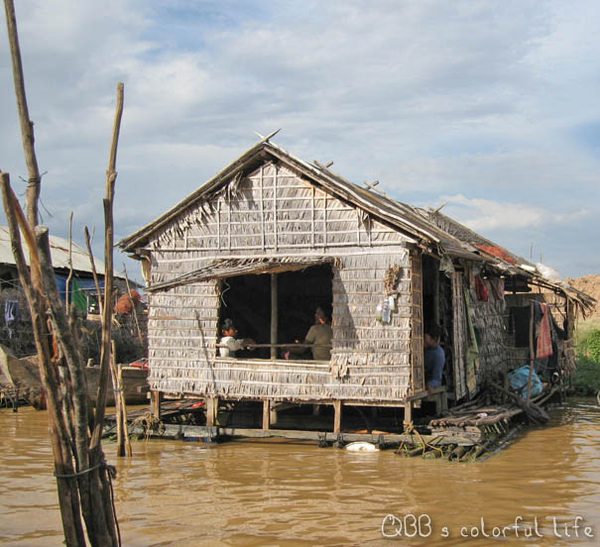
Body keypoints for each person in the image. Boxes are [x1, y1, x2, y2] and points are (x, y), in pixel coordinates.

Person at [424, 325, 445, 391]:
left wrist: (430, 384)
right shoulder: (427, 348)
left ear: (434, 340)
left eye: (425, 338)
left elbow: (437, 379)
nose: (423, 340)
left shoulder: (438, 356)